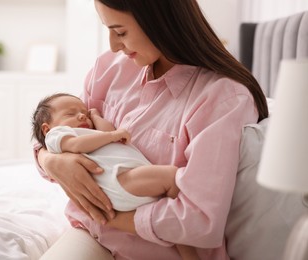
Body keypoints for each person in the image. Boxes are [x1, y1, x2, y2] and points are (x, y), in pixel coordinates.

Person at [34, 0, 269, 259]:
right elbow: (54, 129)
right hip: (91, 236)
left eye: (121, 32)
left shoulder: (221, 98)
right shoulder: (109, 68)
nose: (113, 45)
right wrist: (51, 161)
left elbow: (198, 219)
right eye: (108, 30)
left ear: (160, 21)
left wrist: (109, 216)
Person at [32, 92, 199, 260]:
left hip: (123, 182)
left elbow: (110, 131)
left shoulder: (93, 133)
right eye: (70, 113)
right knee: (171, 177)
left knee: (173, 203)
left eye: (84, 111)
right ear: (46, 128)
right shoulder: (57, 135)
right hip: (118, 181)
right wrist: (111, 136)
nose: (82, 115)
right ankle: (189, 253)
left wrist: (95, 117)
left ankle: (186, 248)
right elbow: (77, 145)